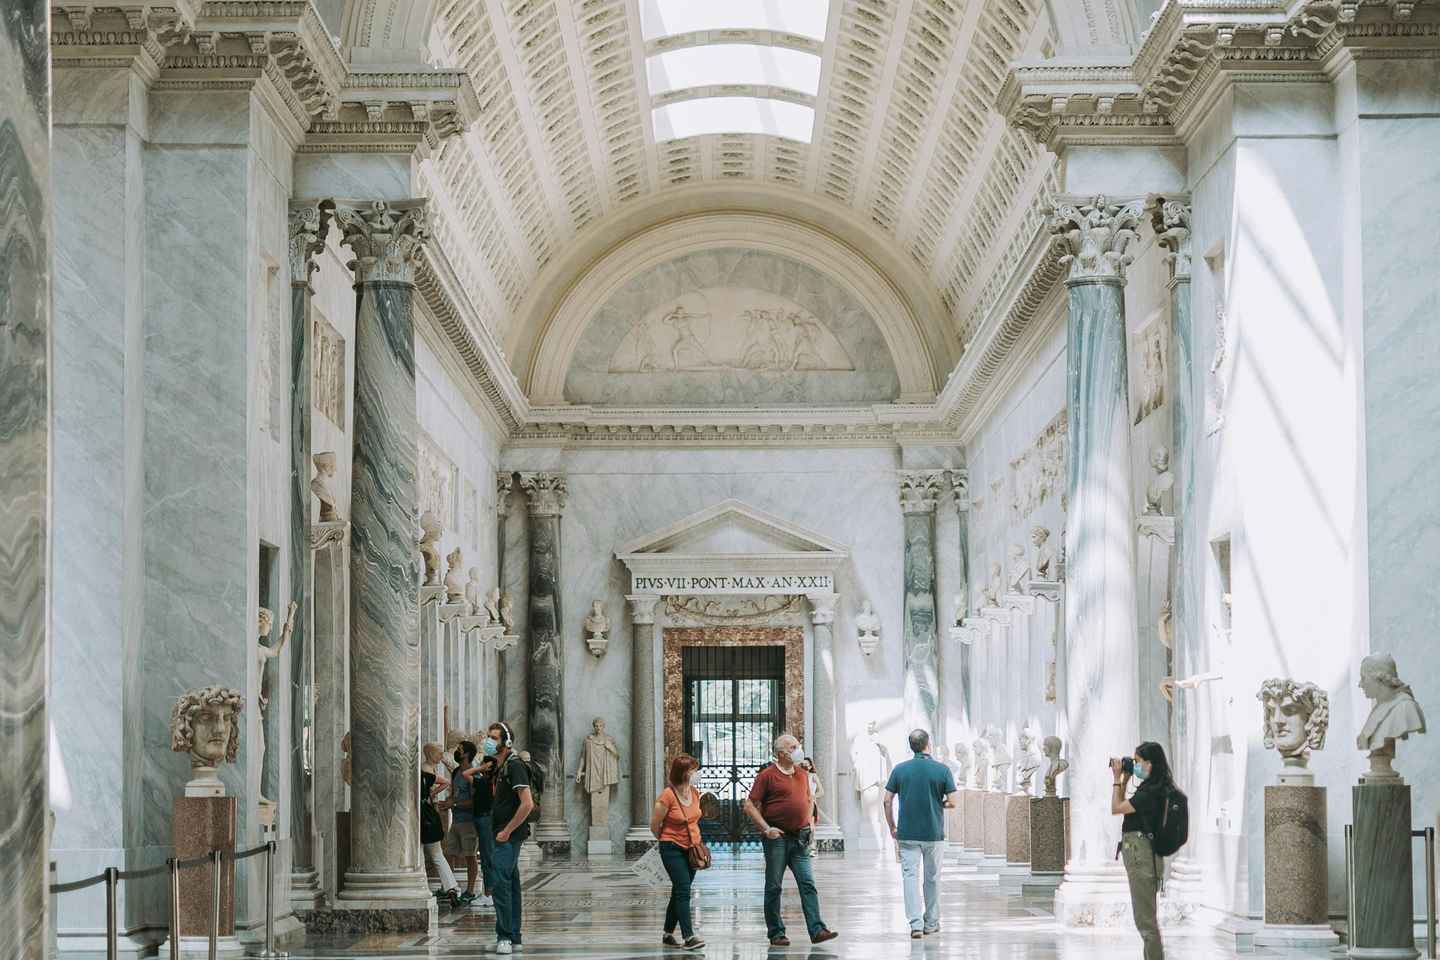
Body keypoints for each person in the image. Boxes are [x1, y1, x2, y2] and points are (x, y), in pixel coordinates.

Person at [742, 733, 838, 946]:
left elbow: (808, 800)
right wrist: (766, 829)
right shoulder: (767, 775)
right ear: (781, 753)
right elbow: (749, 805)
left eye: (798, 745)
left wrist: (810, 825)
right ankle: (776, 933)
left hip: (800, 838)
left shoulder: (803, 774)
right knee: (774, 885)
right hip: (778, 839)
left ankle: (817, 929)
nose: (799, 750)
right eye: (793, 747)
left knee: (808, 884)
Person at [883, 729, 957, 938]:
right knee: (932, 877)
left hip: (907, 833)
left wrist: (892, 827)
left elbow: (887, 800)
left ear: (911, 746)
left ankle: (915, 924)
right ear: (928, 744)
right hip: (933, 833)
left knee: (910, 877)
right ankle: (931, 922)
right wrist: (938, 803)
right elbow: (952, 801)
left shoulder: (900, 769)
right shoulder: (942, 770)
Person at [1111, 741, 1175, 960]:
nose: (1134, 765)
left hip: (1142, 855)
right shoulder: (1153, 788)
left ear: (1149, 764)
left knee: (1145, 921)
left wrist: (1116, 779)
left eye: (1137, 762)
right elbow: (1122, 807)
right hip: (1142, 853)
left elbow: (1116, 808)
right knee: (1146, 918)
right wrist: (1125, 778)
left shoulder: (1151, 792)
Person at [649, 754, 705, 951]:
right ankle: (689, 936)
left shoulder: (695, 792)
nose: (696, 773)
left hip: (692, 849)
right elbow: (655, 825)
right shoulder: (667, 795)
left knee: (679, 890)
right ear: (683, 773)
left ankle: (667, 933)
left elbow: (695, 818)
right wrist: (666, 840)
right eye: (693, 770)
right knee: (683, 889)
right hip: (672, 847)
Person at [486, 721, 534, 955]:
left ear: (506, 741)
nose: (489, 741)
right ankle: (514, 936)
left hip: (508, 835)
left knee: (500, 883)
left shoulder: (514, 766)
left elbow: (527, 804)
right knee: (511, 882)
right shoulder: (500, 766)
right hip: (502, 833)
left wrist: (507, 831)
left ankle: (504, 935)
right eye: (488, 737)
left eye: (494, 738)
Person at [441, 740, 482, 906]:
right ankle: (451, 887)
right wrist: (448, 802)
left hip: (469, 822)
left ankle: (470, 890)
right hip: (456, 820)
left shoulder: (474, 774)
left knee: (470, 856)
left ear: (466, 754)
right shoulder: (457, 771)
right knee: (448, 853)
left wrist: (455, 804)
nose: (457, 751)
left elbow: (475, 801)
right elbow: (454, 791)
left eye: (459, 749)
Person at [420, 743, 460, 904]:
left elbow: (446, 782)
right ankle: (451, 886)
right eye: (438, 752)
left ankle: (426, 886)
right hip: (429, 816)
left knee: (424, 855)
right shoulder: (426, 772)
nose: (441, 755)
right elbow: (446, 782)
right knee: (435, 855)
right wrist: (431, 794)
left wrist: (432, 793)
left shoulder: (423, 773)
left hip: (421, 816)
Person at [461, 753, 499, 908]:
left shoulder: (484, 781)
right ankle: (489, 892)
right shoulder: (488, 781)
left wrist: (482, 767)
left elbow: (465, 773)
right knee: (486, 856)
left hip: (484, 820)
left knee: (486, 856)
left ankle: (489, 894)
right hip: (483, 819)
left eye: (483, 764)